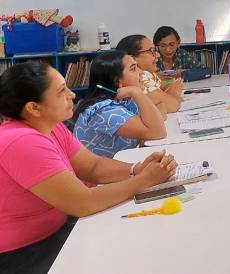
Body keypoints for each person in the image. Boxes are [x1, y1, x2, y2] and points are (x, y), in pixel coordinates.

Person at [0, 62, 177, 274]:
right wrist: (145, 180)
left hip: (57, 229)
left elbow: (93, 167)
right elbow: (83, 203)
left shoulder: (51, 126)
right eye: (61, 91)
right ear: (34, 108)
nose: (72, 95)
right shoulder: (22, 141)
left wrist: (136, 169)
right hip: (25, 253)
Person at [73, 51, 167, 157]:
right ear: (117, 80)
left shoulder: (125, 100)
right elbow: (159, 132)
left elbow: (159, 113)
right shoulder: (104, 111)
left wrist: (147, 129)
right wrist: (137, 92)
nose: (141, 72)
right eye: (133, 69)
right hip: (108, 167)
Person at [116, 34, 182, 113]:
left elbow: (161, 83)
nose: (158, 55)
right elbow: (173, 105)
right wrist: (174, 94)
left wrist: (171, 82)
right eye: (152, 51)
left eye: (155, 50)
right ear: (132, 59)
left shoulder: (148, 73)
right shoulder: (140, 78)